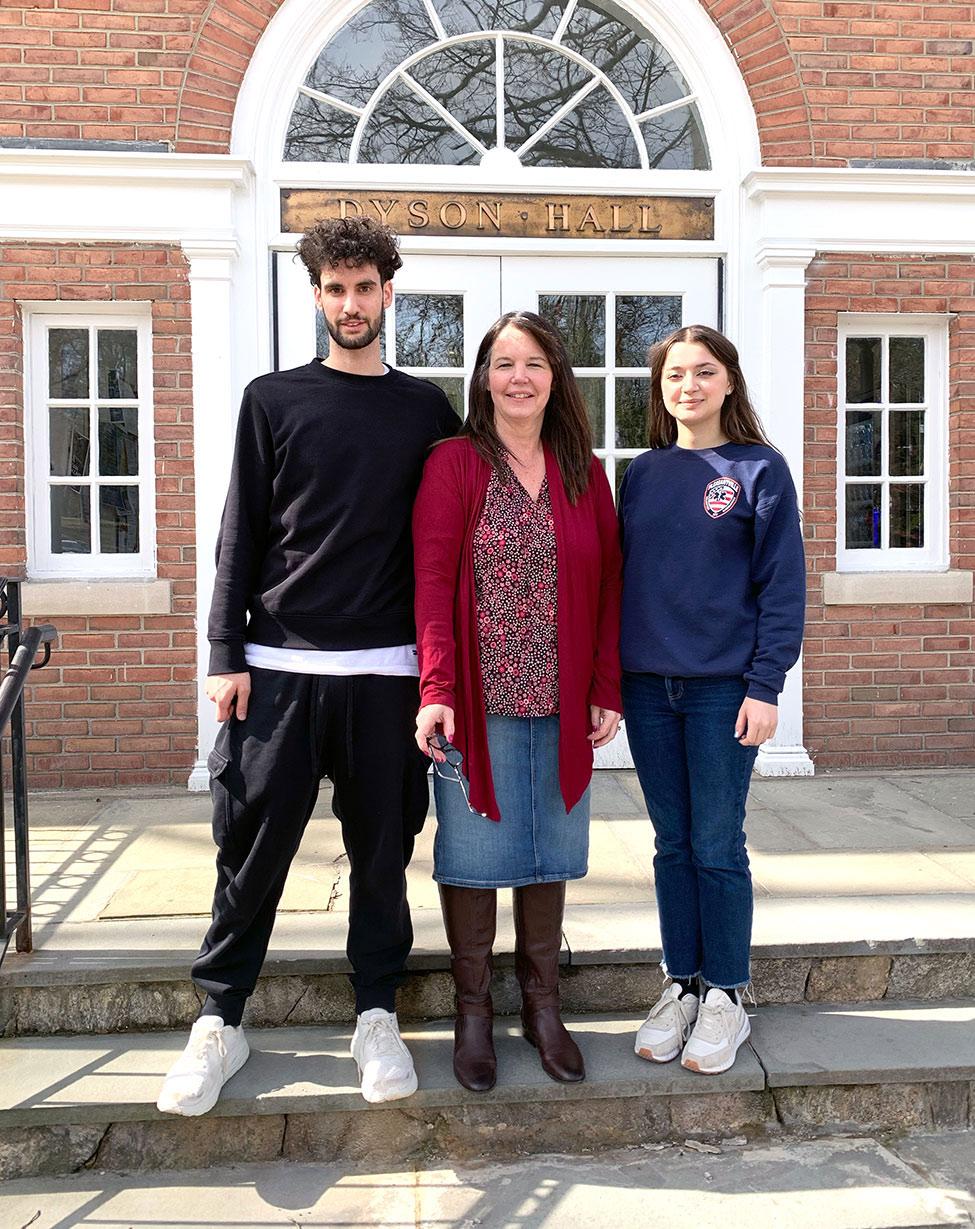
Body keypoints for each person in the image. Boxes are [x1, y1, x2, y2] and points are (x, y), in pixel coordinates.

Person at [156, 217, 458, 1116]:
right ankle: (220, 1018)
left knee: (379, 853)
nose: (351, 303)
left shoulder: (426, 412)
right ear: (316, 294)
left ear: (388, 293)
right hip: (277, 668)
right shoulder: (272, 399)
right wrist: (222, 653)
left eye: (366, 287)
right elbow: (238, 536)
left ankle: (375, 1012)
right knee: (250, 852)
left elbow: (444, 547)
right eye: (336, 288)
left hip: (386, 675)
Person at [412, 311, 622, 1092]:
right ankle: (474, 1013)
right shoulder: (454, 464)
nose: (519, 377)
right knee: (469, 856)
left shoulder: (582, 468)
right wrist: (436, 690)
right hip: (477, 695)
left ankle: (542, 1007)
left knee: (548, 850)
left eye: (533, 362)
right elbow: (431, 585)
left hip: (562, 698)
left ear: (555, 377)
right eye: (503, 363)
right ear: (483, 379)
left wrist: (605, 685)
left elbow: (609, 585)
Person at [619, 324, 805, 1076]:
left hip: (722, 690)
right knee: (670, 844)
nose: (687, 385)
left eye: (702, 371)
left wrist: (765, 684)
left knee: (717, 843)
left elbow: (781, 587)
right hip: (646, 688)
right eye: (673, 375)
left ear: (728, 380)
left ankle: (726, 992)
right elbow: (619, 583)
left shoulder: (758, 469)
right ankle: (681, 984)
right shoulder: (641, 473)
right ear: (659, 389)